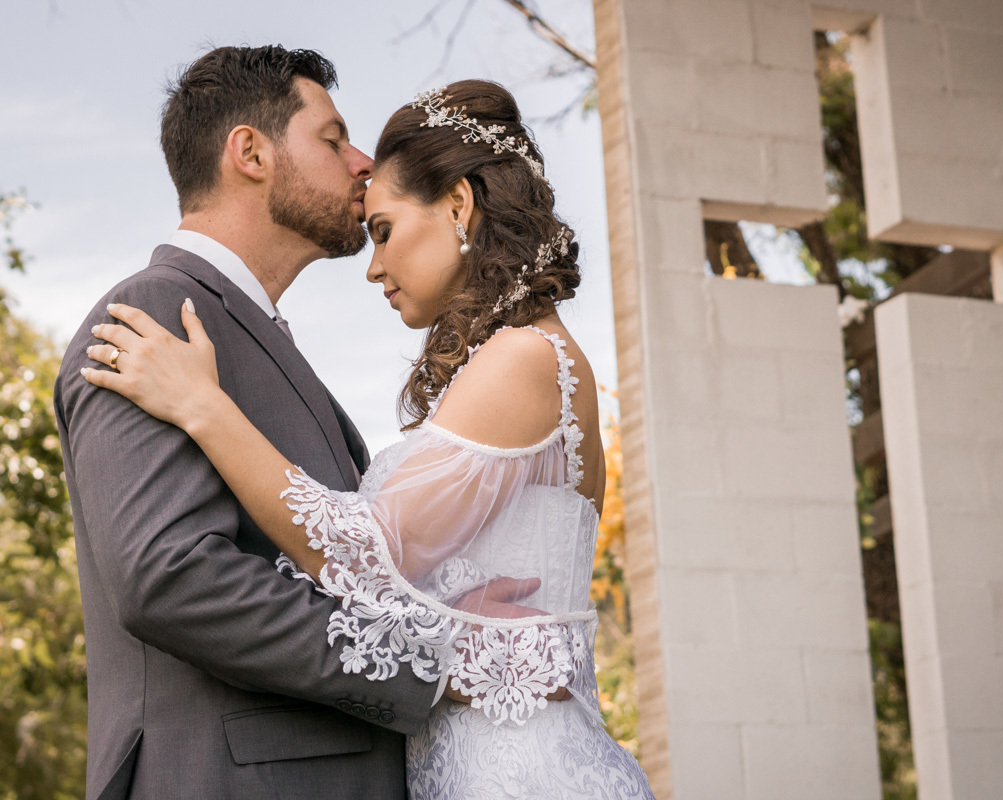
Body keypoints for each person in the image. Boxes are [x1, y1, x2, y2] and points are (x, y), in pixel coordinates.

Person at [78, 77, 656, 798]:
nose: (373, 266)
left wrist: (204, 406)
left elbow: (363, 550)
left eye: (383, 230)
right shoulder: (153, 310)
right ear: (247, 152)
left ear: (458, 206)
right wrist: (450, 633)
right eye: (332, 138)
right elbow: (174, 572)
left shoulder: (524, 359)